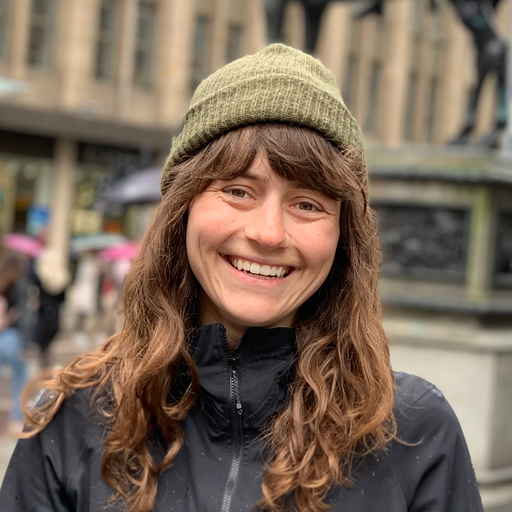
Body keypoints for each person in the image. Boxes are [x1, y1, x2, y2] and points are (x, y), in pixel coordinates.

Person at [0, 44, 482, 512]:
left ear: (344, 236)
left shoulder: (415, 433)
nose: (268, 233)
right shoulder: (75, 417)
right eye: (237, 191)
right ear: (182, 210)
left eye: (307, 204)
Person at [0, 250, 29, 434]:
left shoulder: (2, 283)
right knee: (19, 378)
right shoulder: (21, 284)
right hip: (13, 337)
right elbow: (26, 316)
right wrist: (26, 345)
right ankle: (15, 420)